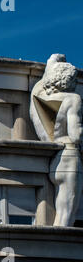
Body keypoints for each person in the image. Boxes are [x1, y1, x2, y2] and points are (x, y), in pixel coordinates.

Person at [30, 53, 83, 226]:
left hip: (56, 162)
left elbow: (43, 80)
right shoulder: (73, 99)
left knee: (63, 208)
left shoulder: (38, 96)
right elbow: (76, 135)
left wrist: (52, 62)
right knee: (67, 211)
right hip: (71, 156)